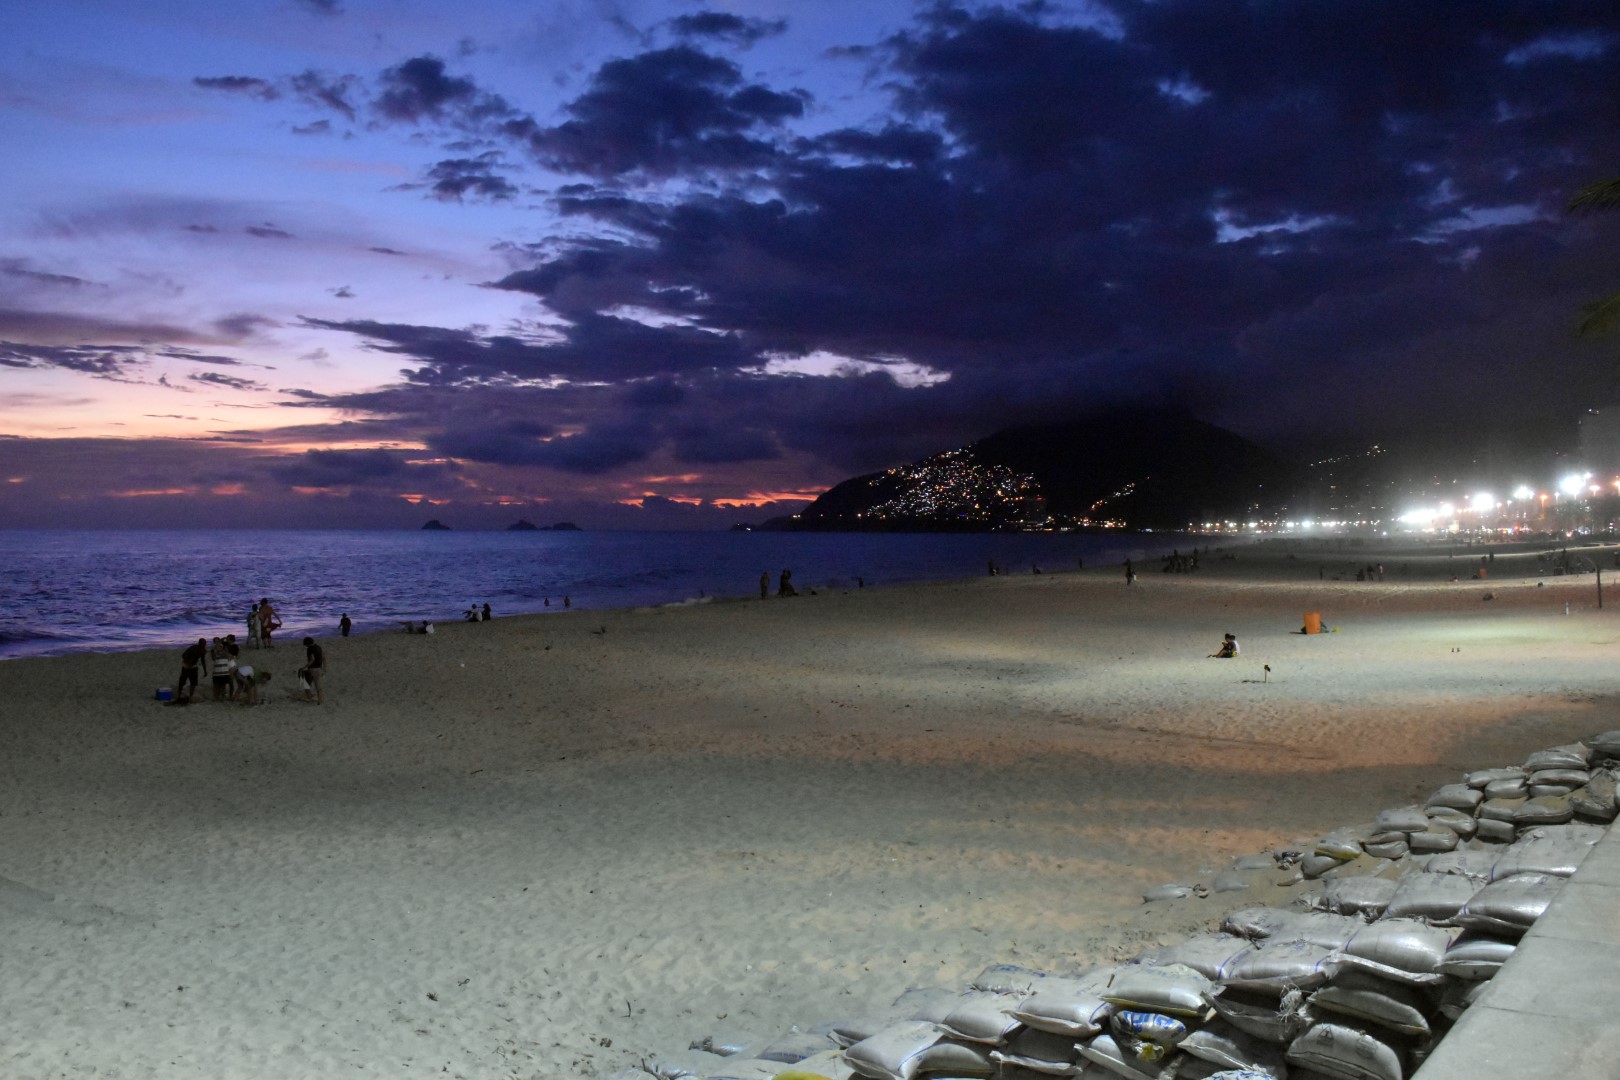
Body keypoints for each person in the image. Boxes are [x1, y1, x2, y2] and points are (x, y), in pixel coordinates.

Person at [178, 638, 207, 702]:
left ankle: (191, 696)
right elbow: (184, 655)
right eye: (202, 644)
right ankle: (179, 695)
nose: (203, 645)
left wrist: (205, 670)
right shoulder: (193, 647)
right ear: (199, 643)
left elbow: (203, 661)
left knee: (193, 683)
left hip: (193, 667)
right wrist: (187, 662)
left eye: (204, 644)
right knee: (182, 681)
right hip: (186, 666)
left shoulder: (203, 651)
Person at [299, 636, 326, 704]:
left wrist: (304, 667)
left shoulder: (310, 649)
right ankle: (321, 700)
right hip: (319, 669)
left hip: (312, 669)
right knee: (319, 686)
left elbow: (312, 659)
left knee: (306, 684)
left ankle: (309, 698)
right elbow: (324, 658)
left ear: (307, 644)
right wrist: (325, 668)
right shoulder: (319, 647)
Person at [209, 636, 235, 701]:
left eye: (220, 646)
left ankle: (221, 697)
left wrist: (221, 642)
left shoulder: (225, 652)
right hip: (218, 672)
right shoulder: (214, 652)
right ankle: (217, 697)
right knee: (216, 686)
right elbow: (213, 657)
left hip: (223, 672)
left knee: (222, 686)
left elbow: (231, 655)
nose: (218, 647)